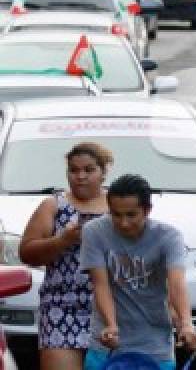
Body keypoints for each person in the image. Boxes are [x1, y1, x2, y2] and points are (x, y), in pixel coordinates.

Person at [80, 174, 196, 370]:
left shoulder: (168, 236)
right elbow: (100, 284)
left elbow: (176, 284)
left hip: (154, 342)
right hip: (107, 341)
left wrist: (186, 323)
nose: (123, 223)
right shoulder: (94, 231)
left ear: (147, 210)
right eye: (116, 215)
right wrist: (111, 325)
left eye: (131, 215)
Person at [19, 143, 112, 370]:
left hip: (111, 309)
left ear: (103, 172)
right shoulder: (53, 205)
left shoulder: (118, 205)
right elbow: (27, 253)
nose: (80, 176)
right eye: (73, 170)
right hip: (61, 307)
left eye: (89, 170)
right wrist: (62, 240)